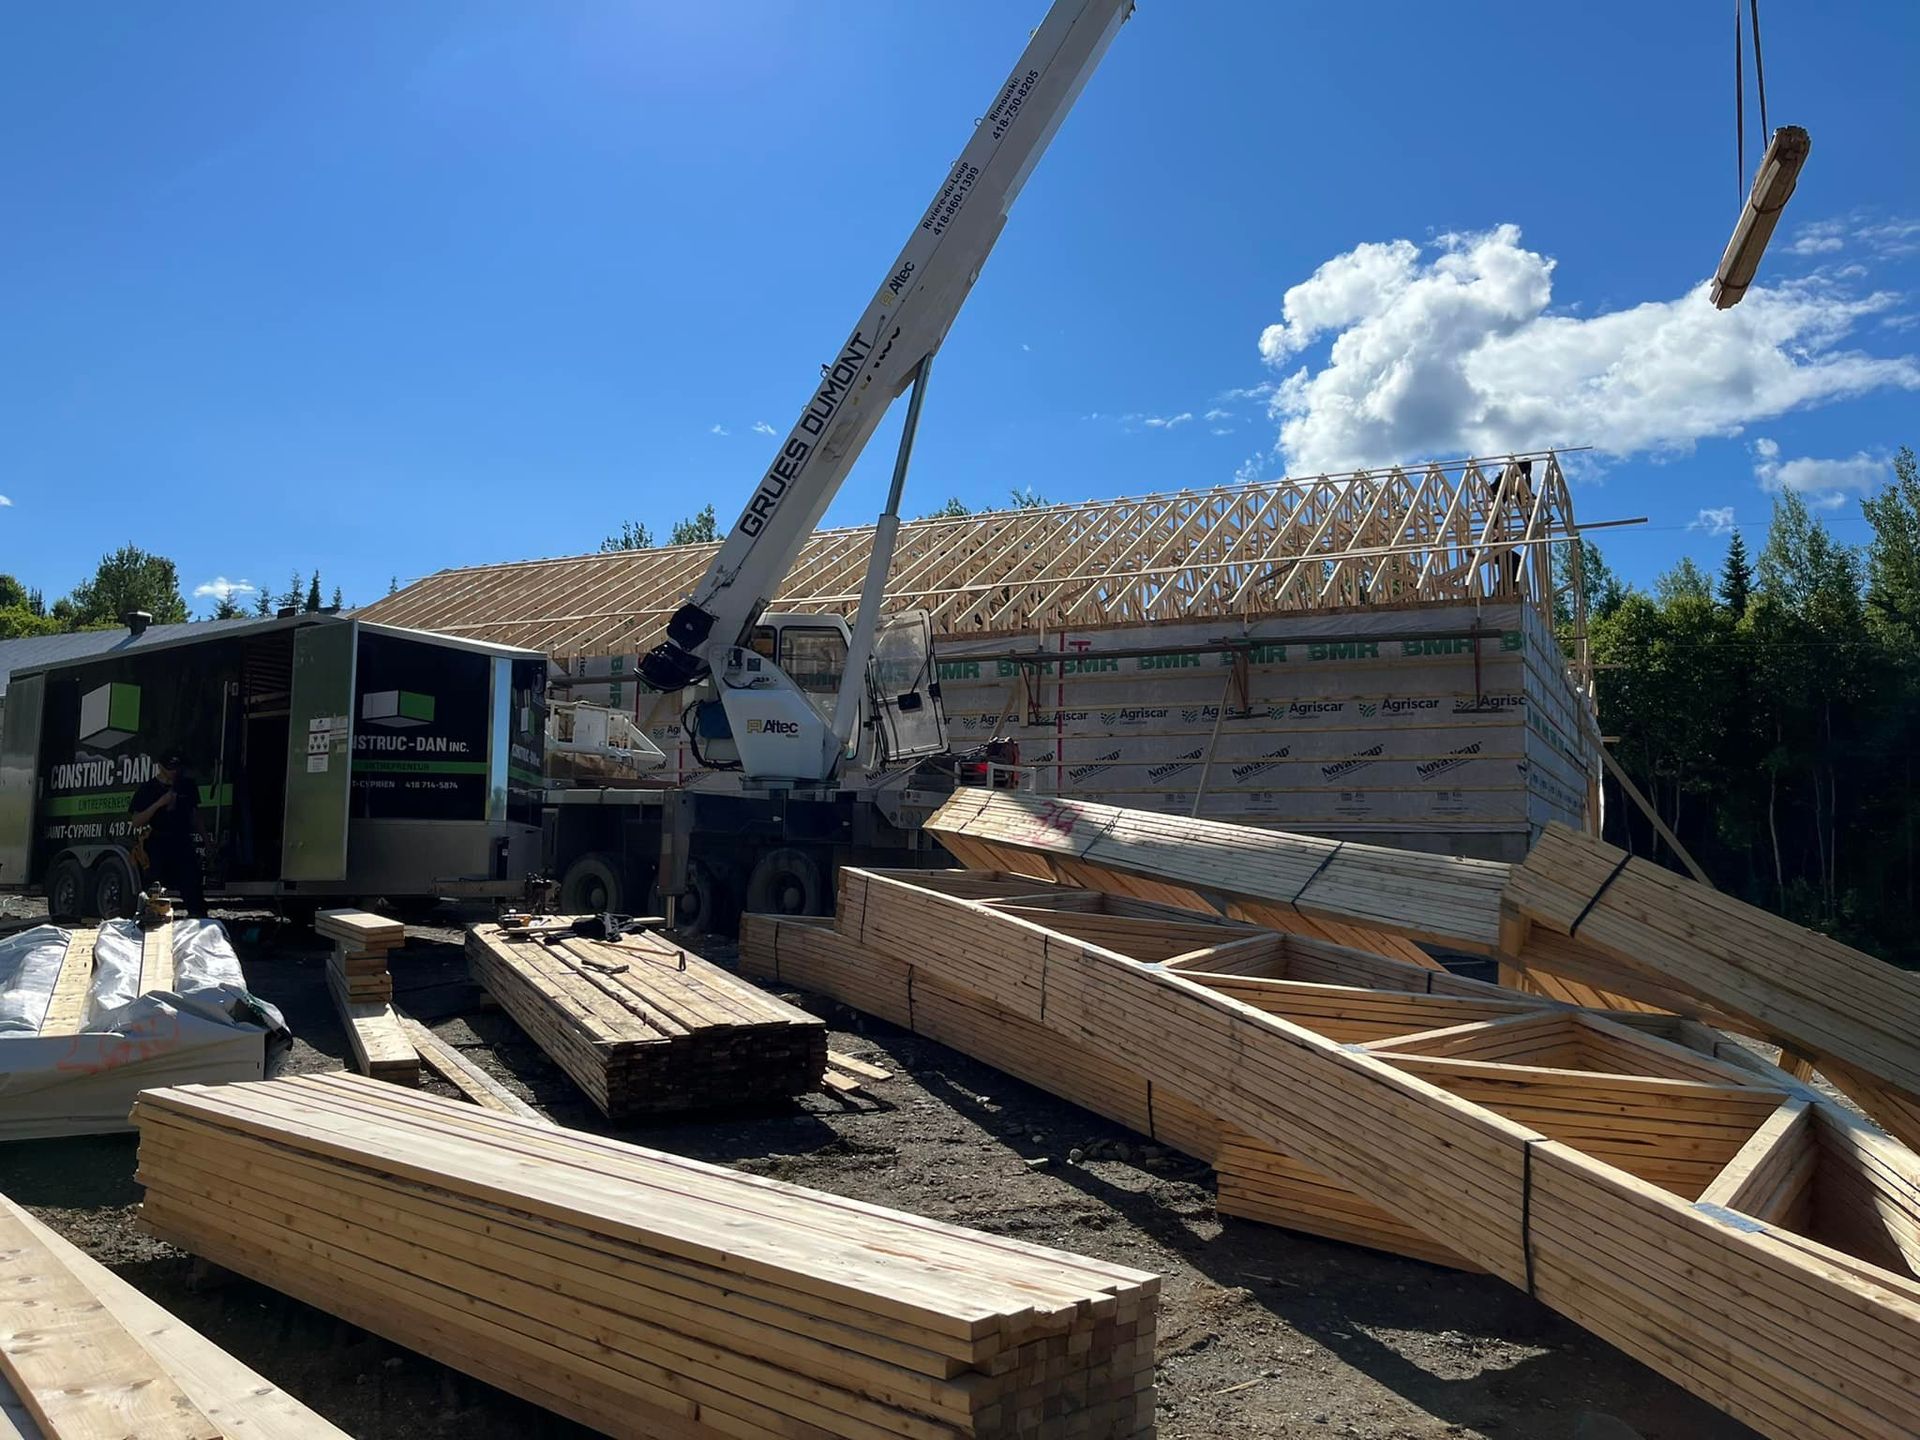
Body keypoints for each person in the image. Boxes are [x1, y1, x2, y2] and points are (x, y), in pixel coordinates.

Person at [129, 750, 206, 916]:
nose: (174, 771)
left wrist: (207, 840)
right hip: (158, 842)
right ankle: (152, 921)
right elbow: (136, 821)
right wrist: (159, 803)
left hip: (183, 841)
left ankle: (200, 921)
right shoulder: (148, 789)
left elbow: (195, 816)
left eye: (177, 767)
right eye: (170, 767)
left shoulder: (188, 786)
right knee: (155, 888)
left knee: (192, 885)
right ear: (160, 767)